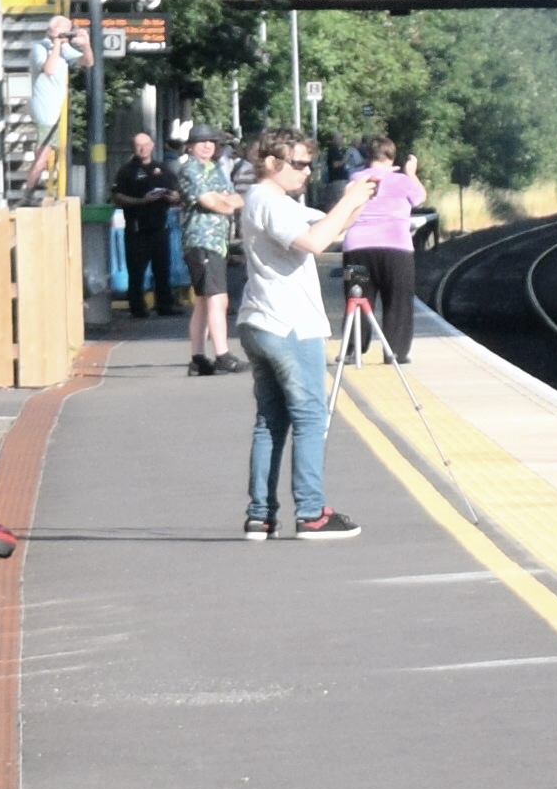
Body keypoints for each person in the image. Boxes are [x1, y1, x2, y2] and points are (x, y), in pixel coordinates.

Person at [229, 129, 351, 541]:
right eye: (298, 163)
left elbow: (326, 227)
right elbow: (315, 242)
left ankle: (260, 516)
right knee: (310, 416)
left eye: (308, 163)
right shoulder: (270, 202)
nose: (307, 171)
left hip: (260, 321)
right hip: (290, 324)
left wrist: (356, 203)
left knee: (271, 420)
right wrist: (349, 202)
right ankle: (312, 512)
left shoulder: (268, 202)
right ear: (270, 162)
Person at [331, 130, 426, 365]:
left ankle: (353, 350)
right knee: (398, 301)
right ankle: (396, 351)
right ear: (392, 158)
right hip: (396, 249)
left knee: (357, 298)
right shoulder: (403, 181)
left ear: (367, 156)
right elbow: (420, 198)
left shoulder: (355, 180)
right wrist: (411, 173)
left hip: (356, 248)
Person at [174, 124, 244, 373]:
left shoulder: (214, 168)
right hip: (201, 240)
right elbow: (210, 201)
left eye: (211, 142)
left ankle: (198, 358)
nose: (207, 146)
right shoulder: (189, 169)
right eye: (201, 142)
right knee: (218, 298)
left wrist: (224, 201)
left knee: (204, 301)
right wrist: (224, 203)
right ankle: (222, 355)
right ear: (190, 146)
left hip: (217, 242)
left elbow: (235, 198)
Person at [103, 120, 176, 321]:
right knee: (137, 271)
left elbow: (176, 193)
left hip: (160, 225)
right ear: (134, 149)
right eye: (139, 146)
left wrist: (172, 198)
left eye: (146, 144)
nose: (143, 149)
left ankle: (165, 305)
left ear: (152, 145)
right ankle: (137, 307)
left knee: (163, 268)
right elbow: (118, 197)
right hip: (137, 228)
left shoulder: (162, 169)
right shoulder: (127, 171)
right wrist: (141, 201)